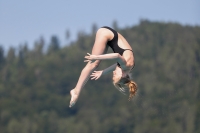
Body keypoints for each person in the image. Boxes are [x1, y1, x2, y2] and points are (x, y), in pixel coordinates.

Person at [69, 26, 137, 108]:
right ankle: (76, 91)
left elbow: (116, 65)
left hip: (109, 37)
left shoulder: (127, 67)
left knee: (95, 65)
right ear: (122, 75)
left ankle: (76, 91)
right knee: (93, 64)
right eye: (115, 75)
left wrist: (102, 72)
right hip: (106, 33)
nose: (113, 72)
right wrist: (96, 57)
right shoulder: (127, 64)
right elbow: (117, 55)